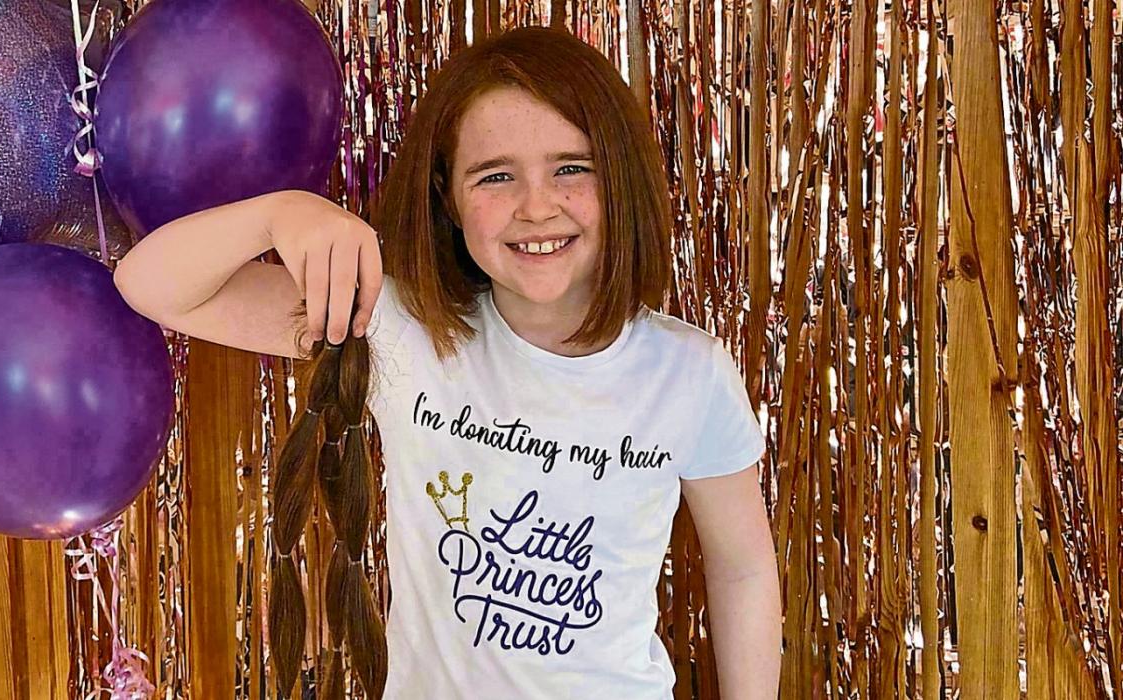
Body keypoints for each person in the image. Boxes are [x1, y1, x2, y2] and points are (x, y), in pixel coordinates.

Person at [113, 24, 781, 700]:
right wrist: (280, 216)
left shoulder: (689, 374)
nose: (537, 206)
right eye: (495, 176)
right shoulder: (399, 325)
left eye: (572, 167)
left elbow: (743, 569)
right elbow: (151, 285)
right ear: (448, 201)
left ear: (619, 179)